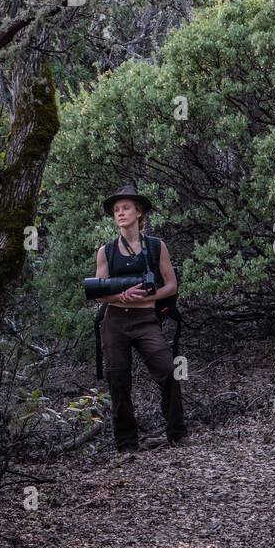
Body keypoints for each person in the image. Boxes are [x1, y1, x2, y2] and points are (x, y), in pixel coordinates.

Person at [94, 183, 187, 455]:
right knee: (118, 380)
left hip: (147, 319)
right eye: (116, 210)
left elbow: (172, 285)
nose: (120, 213)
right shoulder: (106, 251)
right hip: (115, 322)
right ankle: (127, 446)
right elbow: (98, 292)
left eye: (125, 208)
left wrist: (149, 298)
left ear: (138, 212)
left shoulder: (157, 247)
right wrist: (121, 295)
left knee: (168, 370)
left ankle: (178, 435)